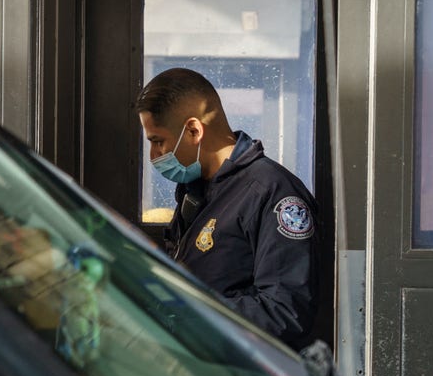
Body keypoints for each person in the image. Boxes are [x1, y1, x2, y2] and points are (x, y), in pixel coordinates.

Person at [136, 68, 318, 350]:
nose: (153, 156)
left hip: (250, 375)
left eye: (158, 141)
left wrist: (190, 312)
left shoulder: (271, 193)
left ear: (194, 130)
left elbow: (285, 312)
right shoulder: (195, 190)